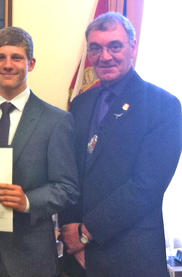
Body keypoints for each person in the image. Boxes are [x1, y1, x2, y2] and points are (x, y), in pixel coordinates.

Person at [0, 26, 79, 277]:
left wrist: (27, 201)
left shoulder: (56, 121)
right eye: (0, 57)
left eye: (17, 58)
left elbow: (67, 188)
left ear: (30, 64)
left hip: (31, 259)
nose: (8, 65)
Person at [59, 12, 182, 276]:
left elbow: (146, 186)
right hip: (78, 258)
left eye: (114, 46)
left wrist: (85, 232)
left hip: (130, 255)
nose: (105, 56)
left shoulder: (163, 105)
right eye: (96, 48)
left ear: (132, 47)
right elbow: (68, 171)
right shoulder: (80, 104)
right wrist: (70, 227)